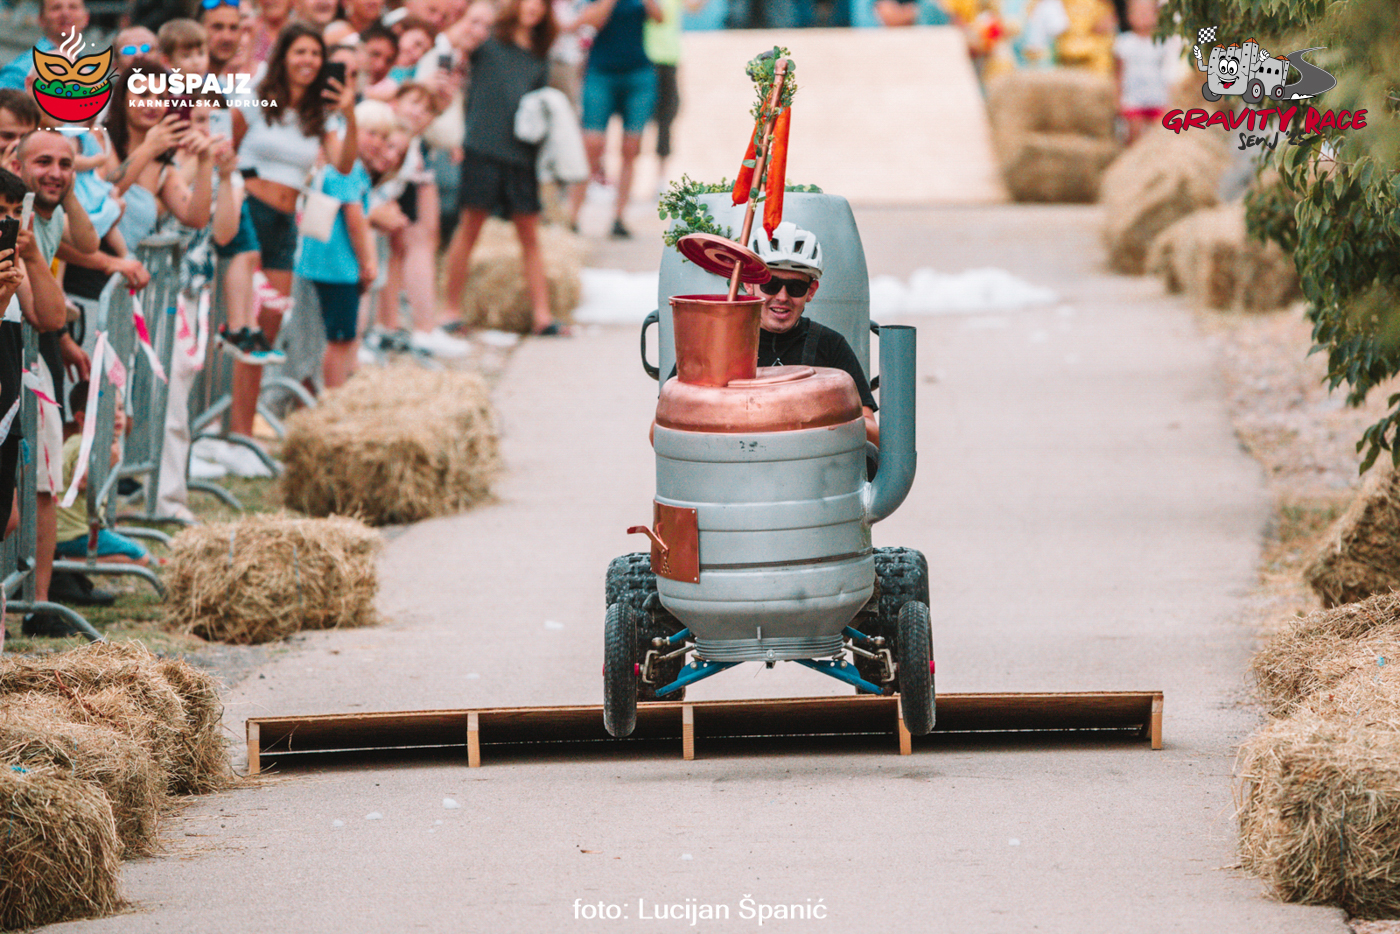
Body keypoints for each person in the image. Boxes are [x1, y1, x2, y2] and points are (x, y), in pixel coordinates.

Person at [227, 22, 358, 437]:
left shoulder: (320, 113)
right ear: (283, 56)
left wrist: (349, 113)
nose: (309, 61)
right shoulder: (255, 97)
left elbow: (343, 165)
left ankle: (242, 432)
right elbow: (227, 145)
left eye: (316, 54)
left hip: (285, 222)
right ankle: (221, 426)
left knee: (267, 326)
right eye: (300, 52)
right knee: (240, 325)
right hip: (249, 213)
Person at [439, 0, 568, 336]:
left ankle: (542, 315)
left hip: (522, 156)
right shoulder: (488, 41)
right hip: (482, 149)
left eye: (541, 4)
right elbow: (450, 45)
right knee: (470, 228)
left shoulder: (540, 56)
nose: (534, 8)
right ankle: (449, 310)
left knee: (530, 236)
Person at [747, 222, 879, 446]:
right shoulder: (723, 341)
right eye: (771, 285)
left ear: (811, 291)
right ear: (749, 284)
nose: (782, 297)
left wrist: (826, 416)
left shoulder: (830, 345)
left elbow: (873, 435)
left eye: (796, 288)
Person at [294, 99, 387, 389]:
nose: (377, 142)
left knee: (335, 335)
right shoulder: (348, 169)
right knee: (341, 337)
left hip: (327, 264)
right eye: (371, 133)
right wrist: (368, 262)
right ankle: (334, 395)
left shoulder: (345, 169)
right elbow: (355, 218)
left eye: (383, 137)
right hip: (337, 267)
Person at [567, 0, 661, 238]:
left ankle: (619, 217)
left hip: (638, 74)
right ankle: (573, 216)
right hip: (600, 73)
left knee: (631, 148)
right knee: (592, 146)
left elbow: (659, 18)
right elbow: (590, 23)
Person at [55, 381, 155, 569]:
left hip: (74, 531)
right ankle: (65, 564)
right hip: (73, 534)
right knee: (140, 557)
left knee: (134, 552)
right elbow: (81, 480)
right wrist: (107, 462)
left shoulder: (88, 442)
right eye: (107, 409)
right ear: (82, 419)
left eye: (120, 408)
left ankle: (65, 562)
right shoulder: (83, 444)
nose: (118, 415)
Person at [1113, 0, 1177, 144]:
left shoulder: (1162, 42)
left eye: (1147, 12)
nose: (1142, 16)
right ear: (1128, 16)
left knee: (1159, 137)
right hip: (1133, 99)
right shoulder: (1124, 42)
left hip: (1157, 98)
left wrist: (1170, 99)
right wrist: (1118, 99)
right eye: (1137, 12)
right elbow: (1119, 73)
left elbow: (1168, 71)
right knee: (1133, 135)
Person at [0, 0, 88, 90]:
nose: (66, 13)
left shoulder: (91, 69)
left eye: (73, 7)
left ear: (86, 18)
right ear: (41, 19)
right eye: (56, 8)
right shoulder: (20, 71)